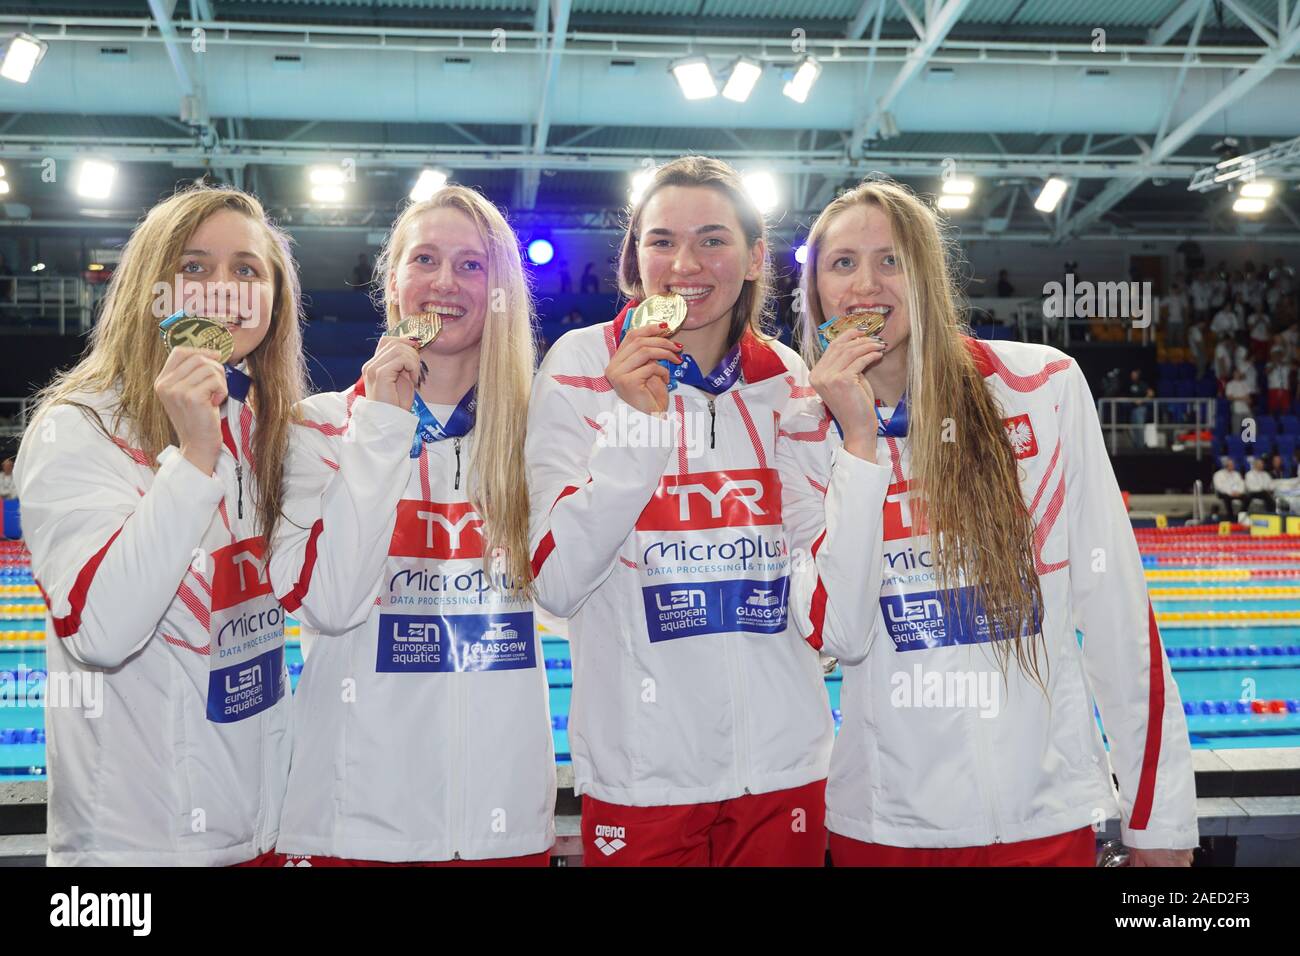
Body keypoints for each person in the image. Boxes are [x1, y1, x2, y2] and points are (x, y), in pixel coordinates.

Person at [798, 176, 1197, 866]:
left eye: (891, 260)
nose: (866, 285)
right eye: (843, 263)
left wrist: (1157, 821)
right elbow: (840, 634)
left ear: (927, 276)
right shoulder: (802, 432)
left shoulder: (1040, 387)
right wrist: (859, 442)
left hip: (1042, 816)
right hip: (885, 825)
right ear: (817, 295)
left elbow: (1117, 610)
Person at [526, 156, 858, 867]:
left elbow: (817, 564)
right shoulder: (579, 367)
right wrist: (636, 426)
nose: (686, 263)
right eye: (661, 241)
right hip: (643, 777)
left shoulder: (791, 380)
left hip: (784, 771)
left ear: (753, 259)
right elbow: (555, 582)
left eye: (713, 239)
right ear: (634, 258)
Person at [14, 186, 306, 865]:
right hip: (133, 853)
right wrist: (194, 455)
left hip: (260, 835)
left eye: (247, 270)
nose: (222, 290)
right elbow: (103, 633)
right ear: (153, 288)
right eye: (195, 267)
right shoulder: (77, 427)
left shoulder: (267, 429)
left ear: (274, 301)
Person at [267, 186, 554, 866]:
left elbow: (572, 610)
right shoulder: (321, 428)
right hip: (354, 821)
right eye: (424, 259)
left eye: (472, 265)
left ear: (500, 291)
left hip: (503, 821)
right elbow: (330, 607)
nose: (445, 283)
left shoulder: (541, 435)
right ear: (392, 281)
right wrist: (382, 432)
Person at [1127, 368, 1155, 449]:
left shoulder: (1142, 384)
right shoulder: (1130, 384)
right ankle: (1136, 445)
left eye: (1134, 374)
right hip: (1132, 409)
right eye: (1131, 375)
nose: (1132, 376)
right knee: (1134, 427)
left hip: (1140, 409)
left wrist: (1141, 401)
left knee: (1139, 427)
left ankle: (1141, 445)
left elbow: (1151, 393)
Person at [1225, 367, 1254, 435]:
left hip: (1246, 409)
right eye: (1236, 373)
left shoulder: (1245, 383)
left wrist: (1249, 401)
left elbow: (1249, 397)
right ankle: (1236, 443)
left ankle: (1252, 444)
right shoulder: (1230, 384)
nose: (1237, 374)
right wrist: (1242, 398)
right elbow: (1229, 397)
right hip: (1237, 410)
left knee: (1252, 428)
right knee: (1236, 430)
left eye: (1238, 372)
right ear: (1233, 374)